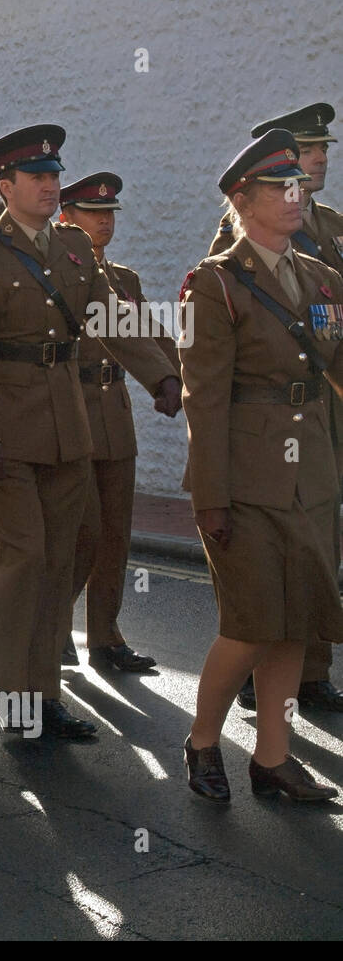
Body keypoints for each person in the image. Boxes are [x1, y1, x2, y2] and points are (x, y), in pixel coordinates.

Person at [0, 124, 176, 739]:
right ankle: (12, 698)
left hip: (69, 428)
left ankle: (44, 693)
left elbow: (111, 319)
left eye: (54, 176)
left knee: (60, 560)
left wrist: (162, 379)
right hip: (6, 431)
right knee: (23, 559)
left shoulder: (73, 246)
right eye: (38, 178)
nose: (50, 186)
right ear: (6, 185)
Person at [181, 129, 342, 803]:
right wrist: (210, 499)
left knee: (295, 619)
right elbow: (204, 397)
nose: (295, 195)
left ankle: (272, 758)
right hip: (244, 479)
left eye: (297, 185)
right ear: (242, 201)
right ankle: (202, 740)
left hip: (311, 476)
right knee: (249, 622)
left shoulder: (323, 278)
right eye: (280, 187)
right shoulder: (213, 286)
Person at [213, 104, 343, 714]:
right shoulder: (225, 267)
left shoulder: (329, 239)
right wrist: (209, 490)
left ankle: (305, 682)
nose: (315, 163)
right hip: (257, 437)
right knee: (260, 586)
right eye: (302, 155)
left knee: (318, 554)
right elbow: (210, 389)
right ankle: (221, 719)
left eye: (318, 153)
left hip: (318, 416)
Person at [59, 172, 182, 672]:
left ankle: (106, 636)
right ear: (66, 217)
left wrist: (176, 377)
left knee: (115, 532)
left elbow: (153, 338)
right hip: (72, 408)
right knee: (77, 531)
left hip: (115, 413)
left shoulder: (124, 279)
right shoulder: (59, 277)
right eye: (93, 212)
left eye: (109, 213)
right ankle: (55, 628)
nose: (104, 221)